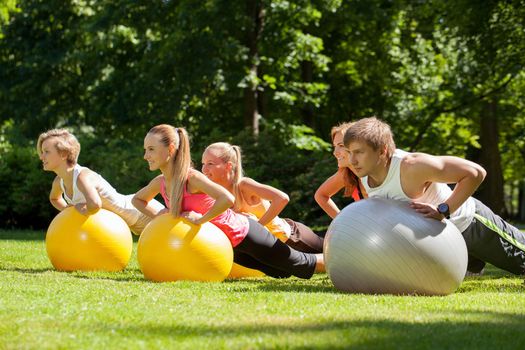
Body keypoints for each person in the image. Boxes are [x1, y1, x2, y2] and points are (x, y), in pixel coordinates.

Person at [132, 124, 325, 279]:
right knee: (280, 273)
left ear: (171, 149)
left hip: (245, 233)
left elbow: (227, 198)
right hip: (229, 247)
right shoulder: (161, 183)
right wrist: (160, 214)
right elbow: (138, 200)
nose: (145, 156)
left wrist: (201, 219)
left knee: (300, 264)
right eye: (145, 149)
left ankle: (343, 260)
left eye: (151, 149)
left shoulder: (192, 178)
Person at [343, 116, 525, 275]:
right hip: (441, 244)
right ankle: (473, 263)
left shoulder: (411, 166)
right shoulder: (365, 175)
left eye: (359, 152)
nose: (352, 160)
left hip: (469, 225)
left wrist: (443, 210)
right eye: (349, 152)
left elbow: (476, 172)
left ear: (382, 151)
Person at [201, 142, 323, 253]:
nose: (204, 169)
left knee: (333, 252)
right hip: (269, 248)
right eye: (203, 164)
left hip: (292, 237)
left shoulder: (243, 185)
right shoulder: (215, 193)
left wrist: (258, 227)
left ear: (228, 166)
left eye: (210, 164)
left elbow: (282, 198)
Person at [37, 129, 164, 235]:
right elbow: (54, 198)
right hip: (127, 223)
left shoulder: (82, 177)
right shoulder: (59, 181)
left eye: (46, 152)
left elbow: (95, 204)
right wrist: (67, 209)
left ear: (63, 154)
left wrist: (81, 209)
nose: (41, 157)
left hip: (140, 212)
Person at [315, 122, 367, 219]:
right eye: (335, 146)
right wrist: (342, 222)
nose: (335, 153)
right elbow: (321, 195)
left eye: (341, 145)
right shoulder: (346, 173)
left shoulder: (379, 170)